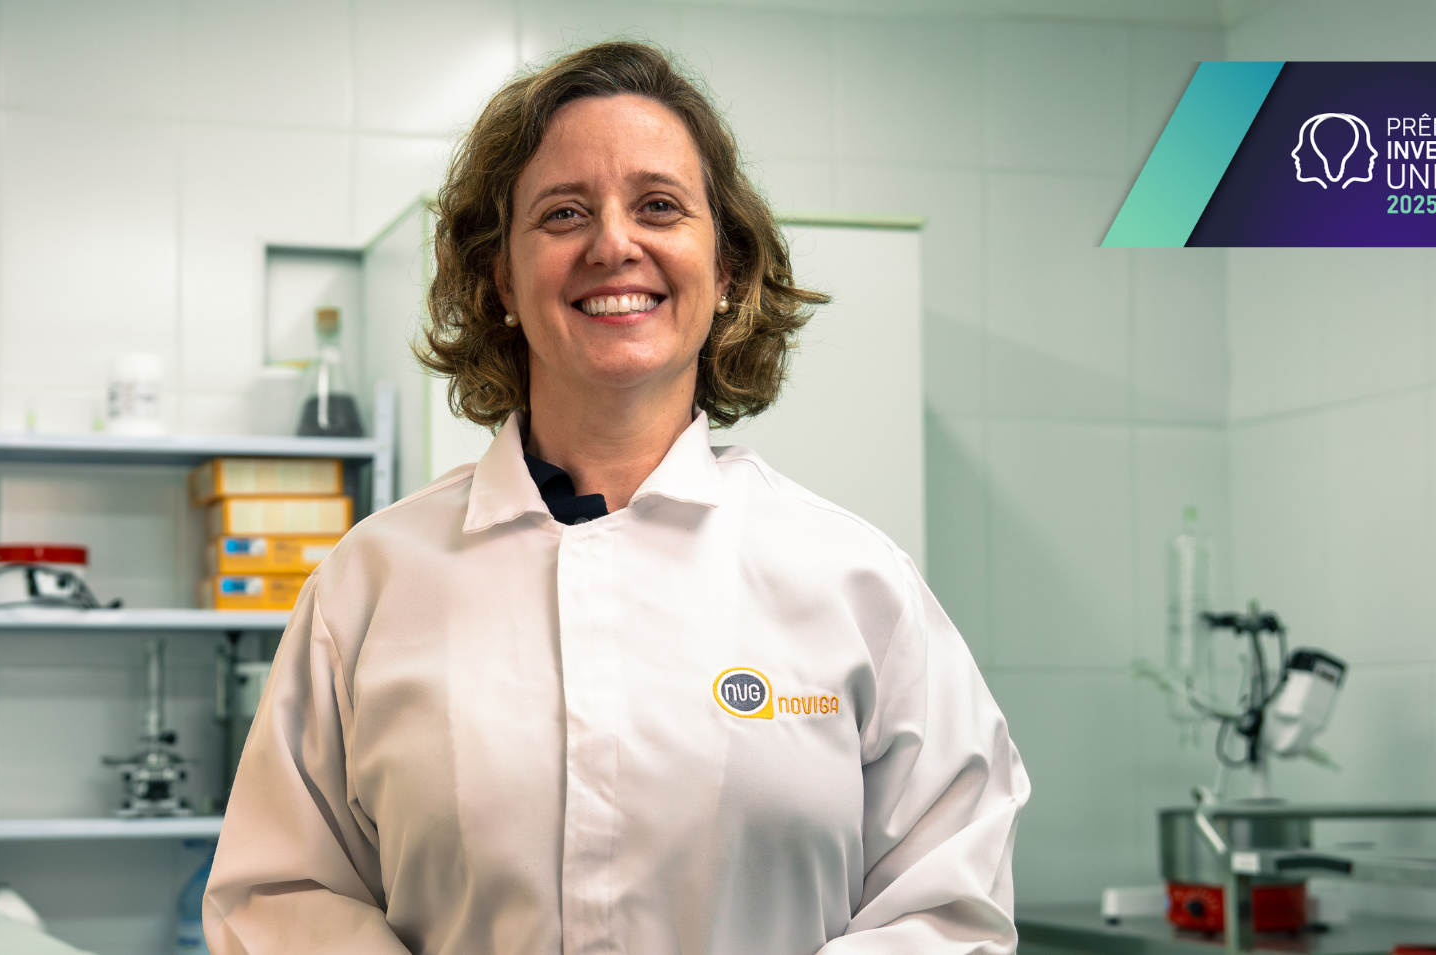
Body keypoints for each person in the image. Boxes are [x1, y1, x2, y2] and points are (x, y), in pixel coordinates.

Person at [204, 40, 1028, 955]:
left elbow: (950, 905)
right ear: (500, 282)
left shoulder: (855, 582)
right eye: (563, 213)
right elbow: (278, 891)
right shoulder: (373, 583)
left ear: (726, 274)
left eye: (660, 206)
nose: (613, 243)